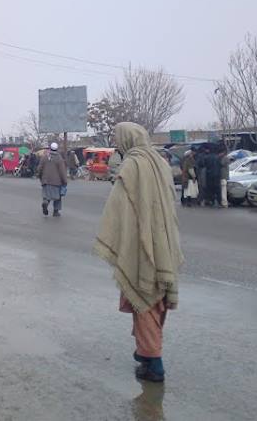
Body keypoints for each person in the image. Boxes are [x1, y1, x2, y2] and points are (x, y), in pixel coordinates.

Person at [94, 122, 183, 383]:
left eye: (117, 138)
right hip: (165, 239)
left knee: (144, 297)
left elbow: (119, 209)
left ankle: (154, 364)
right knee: (157, 299)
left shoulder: (132, 165)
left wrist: (119, 238)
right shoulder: (160, 162)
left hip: (142, 243)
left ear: (126, 139)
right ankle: (145, 353)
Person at [38, 142, 69, 217]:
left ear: (50, 148)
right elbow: (62, 171)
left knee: (46, 195)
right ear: (57, 149)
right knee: (57, 197)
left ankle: (45, 202)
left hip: (45, 180)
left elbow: (39, 168)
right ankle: (56, 211)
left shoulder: (44, 157)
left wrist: (40, 177)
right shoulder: (59, 158)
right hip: (56, 182)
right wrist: (65, 181)